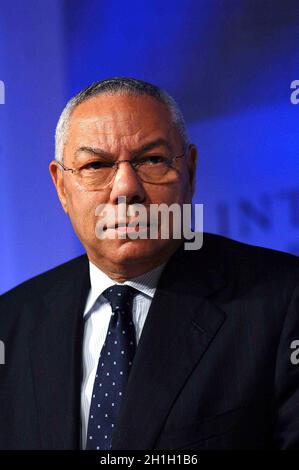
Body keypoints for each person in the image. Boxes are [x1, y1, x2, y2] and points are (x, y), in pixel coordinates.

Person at [0, 77, 299, 450]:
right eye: (96, 165)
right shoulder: (10, 325)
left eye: (152, 160)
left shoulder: (283, 301)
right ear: (62, 187)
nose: (126, 188)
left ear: (189, 171)